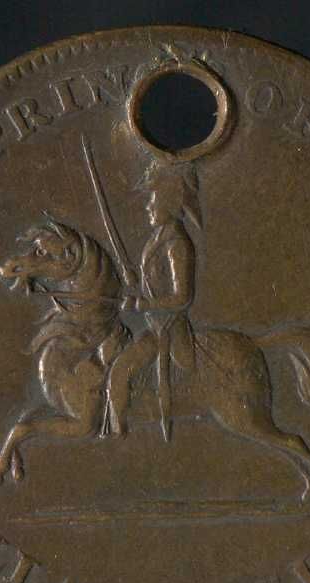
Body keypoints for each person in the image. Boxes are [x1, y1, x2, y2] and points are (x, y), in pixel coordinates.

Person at [105, 163, 201, 440]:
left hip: (168, 329)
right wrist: (136, 286)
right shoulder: (158, 238)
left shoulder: (176, 243)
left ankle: (117, 435)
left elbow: (183, 297)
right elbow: (155, 287)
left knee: (119, 371)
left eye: (153, 198)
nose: (148, 206)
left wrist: (142, 305)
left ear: (169, 201)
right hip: (154, 325)